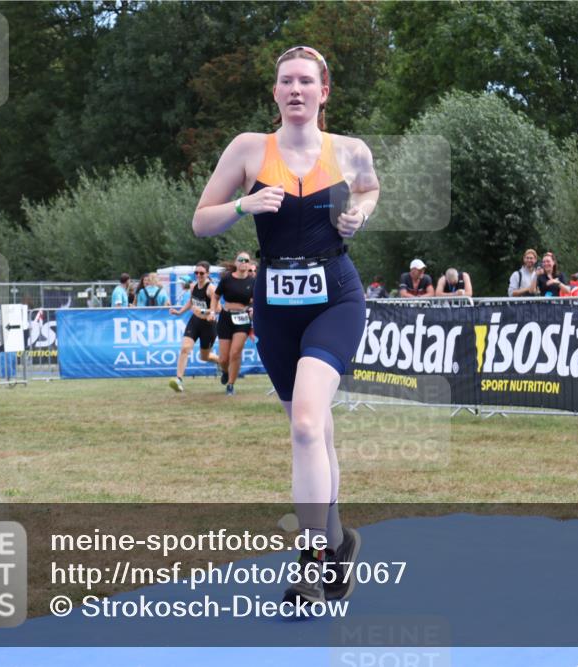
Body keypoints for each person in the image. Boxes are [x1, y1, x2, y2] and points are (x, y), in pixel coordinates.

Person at [192, 45, 377, 607]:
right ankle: (340, 542)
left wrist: (359, 214)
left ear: (324, 91)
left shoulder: (349, 150)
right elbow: (201, 221)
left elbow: (369, 188)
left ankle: (312, 558)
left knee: (303, 423)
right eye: (285, 81)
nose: (295, 89)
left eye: (305, 81)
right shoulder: (249, 149)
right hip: (275, 306)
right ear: (274, 93)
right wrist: (245, 209)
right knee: (314, 430)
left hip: (335, 298)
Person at [168, 262, 221, 392]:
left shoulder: (211, 289)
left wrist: (204, 312)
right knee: (185, 348)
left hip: (209, 325)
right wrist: (180, 311)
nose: (198, 275)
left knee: (205, 357)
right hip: (195, 322)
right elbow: (191, 302)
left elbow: (219, 309)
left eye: (201, 273)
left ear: (207, 274)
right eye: (196, 273)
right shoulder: (193, 286)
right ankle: (178, 380)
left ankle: (221, 362)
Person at [211, 252, 255, 396]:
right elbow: (215, 296)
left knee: (235, 353)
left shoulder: (253, 281)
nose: (243, 262)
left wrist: (253, 308)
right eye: (240, 260)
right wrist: (212, 311)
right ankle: (224, 371)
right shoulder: (227, 279)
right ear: (236, 263)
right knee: (223, 358)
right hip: (225, 317)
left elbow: (256, 300)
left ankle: (230, 384)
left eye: (246, 260)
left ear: (249, 264)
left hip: (242, 318)